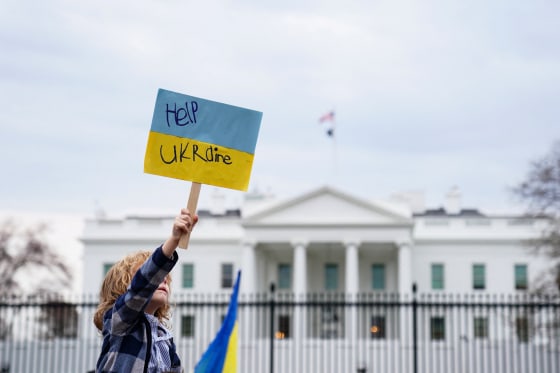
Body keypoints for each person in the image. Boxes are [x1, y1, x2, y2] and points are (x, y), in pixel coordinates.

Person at [93, 208, 198, 373]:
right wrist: (174, 239)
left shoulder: (164, 337)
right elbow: (142, 285)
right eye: (157, 277)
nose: (163, 279)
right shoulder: (119, 321)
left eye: (166, 278)